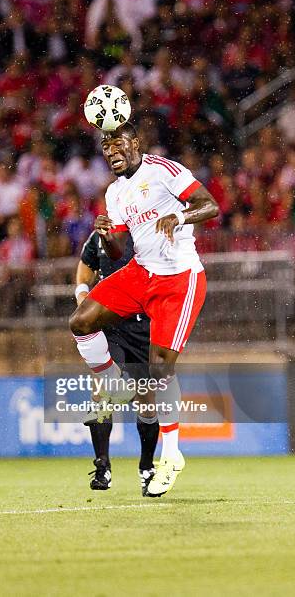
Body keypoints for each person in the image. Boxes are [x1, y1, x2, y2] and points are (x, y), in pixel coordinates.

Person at [69, 122, 219, 497]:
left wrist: (179, 216)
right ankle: (110, 381)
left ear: (135, 143)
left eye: (117, 142)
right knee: (81, 320)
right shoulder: (115, 192)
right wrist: (106, 234)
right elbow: (121, 250)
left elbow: (210, 205)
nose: (111, 151)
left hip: (178, 280)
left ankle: (171, 456)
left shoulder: (163, 170)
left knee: (159, 370)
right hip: (141, 271)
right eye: (106, 146)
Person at [76, 230, 159, 495]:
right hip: (109, 322)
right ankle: (102, 467)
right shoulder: (100, 234)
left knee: (146, 398)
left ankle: (146, 468)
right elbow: (85, 267)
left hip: (142, 325)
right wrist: (81, 294)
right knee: (101, 392)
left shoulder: (149, 231)